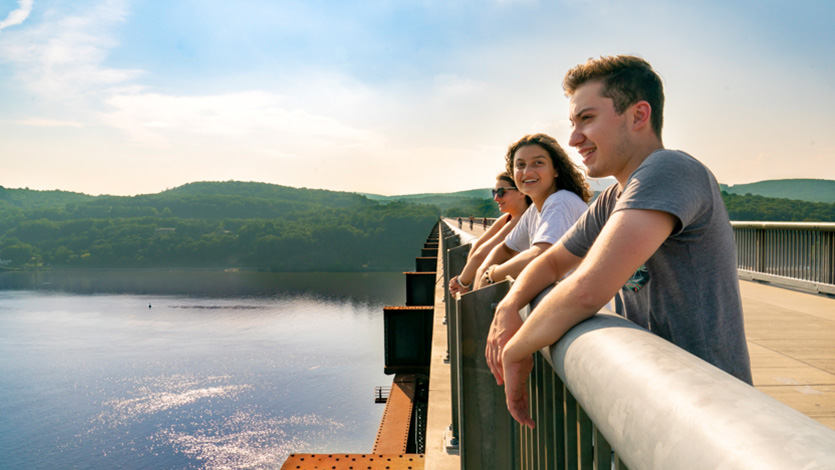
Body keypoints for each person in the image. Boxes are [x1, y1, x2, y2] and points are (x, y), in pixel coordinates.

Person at [485, 55, 753, 429]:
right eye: (573, 123)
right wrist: (510, 304)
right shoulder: (614, 197)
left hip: (713, 412)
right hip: (662, 400)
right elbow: (551, 262)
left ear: (638, 116)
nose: (574, 138)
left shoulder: (669, 169)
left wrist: (515, 349)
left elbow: (587, 289)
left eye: (587, 119)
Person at [472, 133, 590, 290]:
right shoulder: (535, 210)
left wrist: (491, 275)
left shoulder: (560, 202)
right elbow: (506, 248)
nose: (527, 172)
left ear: (556, 170)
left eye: (538, 163)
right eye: (520, 165)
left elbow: (541, 254)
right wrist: (482, 271)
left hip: (581, 309)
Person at [449, 172, 531, 296]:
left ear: (521, 192)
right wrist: (464, 280)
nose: (496, 198)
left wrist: (462, 282)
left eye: (501, 192)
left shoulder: (520, 220)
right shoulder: (508, 217)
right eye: (494, 192)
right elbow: (478, 248)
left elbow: (480, 253)